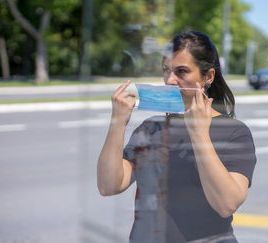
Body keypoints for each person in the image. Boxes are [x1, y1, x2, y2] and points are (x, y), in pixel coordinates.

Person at [97, 31, 256, 242]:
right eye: (166, 70)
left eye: (181, 71)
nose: (170, 80)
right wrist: (117, 123)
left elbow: (226, 204)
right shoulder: (151, 128)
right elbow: (108, 186)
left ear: (208, 76)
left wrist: (199, 134)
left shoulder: (234, 132)